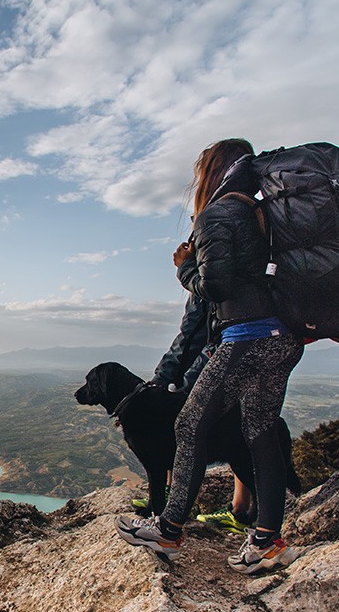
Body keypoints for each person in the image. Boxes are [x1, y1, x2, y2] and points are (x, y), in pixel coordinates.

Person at [117, 138, 304, 574]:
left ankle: (169, 529)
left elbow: (215, 288)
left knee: (188, 425)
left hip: (245, 339)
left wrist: (185, 267)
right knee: (260, 433)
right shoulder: (263, 213)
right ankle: (267, 542)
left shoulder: (218, 214)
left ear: (211, 174)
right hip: (281, 340)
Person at [129, 293, 255, 533]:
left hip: (223, 358)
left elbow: (191, 336)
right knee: (242, 429)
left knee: (199, 427)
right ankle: (240, 509)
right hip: (252, 352)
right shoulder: (219, 276)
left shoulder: (207, 277)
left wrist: (168, 379)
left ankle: (237, 511)